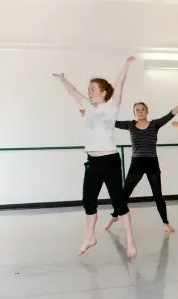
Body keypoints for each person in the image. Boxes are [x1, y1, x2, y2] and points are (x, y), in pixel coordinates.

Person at [53, 57, 137, 258]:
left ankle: (130, 240)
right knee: (88, 200)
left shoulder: (111, 106)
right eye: (88, 88)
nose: (88, 91)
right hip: (92, 161)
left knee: (118, 201)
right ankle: (90, 236)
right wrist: (63, 78)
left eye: (92, 88)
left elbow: (120, 84)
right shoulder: (88, 107)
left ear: (104, 92)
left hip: (110, 160)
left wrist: (126, 65)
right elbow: (73, 92)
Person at [104, 94, 178, 233]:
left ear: (147, 111)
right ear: (134, 113)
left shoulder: (154, 124)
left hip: (152, 163)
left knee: (157, 194)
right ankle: (115, 215)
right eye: (137, 110)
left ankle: (165, 223)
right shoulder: (130, 125)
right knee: (125, 193)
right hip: (137, 163)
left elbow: (169, 115)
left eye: (142, 109)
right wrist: (91, 115)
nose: (140, 112)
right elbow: (110, 122)